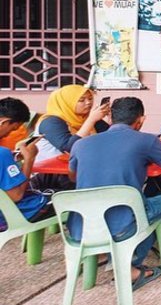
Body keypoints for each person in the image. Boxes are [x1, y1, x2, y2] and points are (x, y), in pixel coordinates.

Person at [68, 97, 161, 290]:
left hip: (80, 227)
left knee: (138, 205)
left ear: (110, 118)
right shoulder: (146, 140)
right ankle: (131, 266)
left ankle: (108, 254)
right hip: (123, 224)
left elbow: (73, 178)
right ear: (141, 119)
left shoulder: (80, 145)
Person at [33, 85, 109, 192]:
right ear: (67, 103)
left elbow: (111, 138)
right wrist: (91, 121)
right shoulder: (50, 122)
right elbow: (69, 147)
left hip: (78, 170)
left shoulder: (86, 118)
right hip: (50, 175)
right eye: (81, 100)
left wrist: (111, 119)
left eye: (90, 98)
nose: (88, 103)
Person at [0, 98, 51, 231]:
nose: (7, 135)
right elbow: (16, 196)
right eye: (12, 130)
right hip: (10, 216)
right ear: (3, 122)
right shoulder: (2, 154)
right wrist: (29, 159)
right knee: (66, 199)